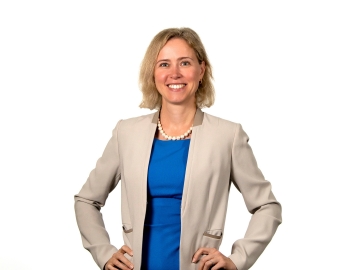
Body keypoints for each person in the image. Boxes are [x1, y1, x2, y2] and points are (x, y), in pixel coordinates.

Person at [74, 27, 282, 270]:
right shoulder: (126, 133)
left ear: (201, 70)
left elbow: (267, 207)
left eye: (185, 63)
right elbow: (86, 200)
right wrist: (103, 252)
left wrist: (237, 260)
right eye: (164, 64)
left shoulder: (228, 135)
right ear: (152, 73)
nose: (174, 73)